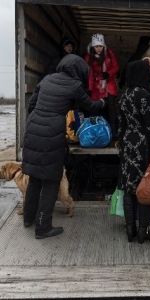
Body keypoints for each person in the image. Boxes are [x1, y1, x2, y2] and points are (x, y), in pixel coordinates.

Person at [22, 54, 105, 239]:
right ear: (80, 71)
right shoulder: (74, 85)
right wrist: (102, 102)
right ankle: (43, 227)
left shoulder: (47, 79)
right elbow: (90, 107)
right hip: (51, 133)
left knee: (35, 177)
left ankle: (28, 219)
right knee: (51, 180)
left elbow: (32, 105)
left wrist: (38, 121)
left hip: (33, 127)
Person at [118, 57, 150, 243]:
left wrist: (121, 143)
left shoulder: (125, 95)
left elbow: (120, 125)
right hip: (143, 145)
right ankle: (142, 232)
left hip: (127, 145)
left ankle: (130, 230)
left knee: (129, 189)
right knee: (145, 188)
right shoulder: (145, 95)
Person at [84, 33, 120, 139]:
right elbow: (89, 73)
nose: (98, 49)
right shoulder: (88, 57)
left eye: (100, 46)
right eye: (96, 46)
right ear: (92, 46)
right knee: (97, 110)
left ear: (104, 46)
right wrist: (89, 89)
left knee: (111, 111)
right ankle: (97, 133)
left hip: (109, 86)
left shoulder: (109, 53)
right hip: (96, 87)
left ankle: (113, 133)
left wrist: (108, 73)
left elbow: (116, 67)